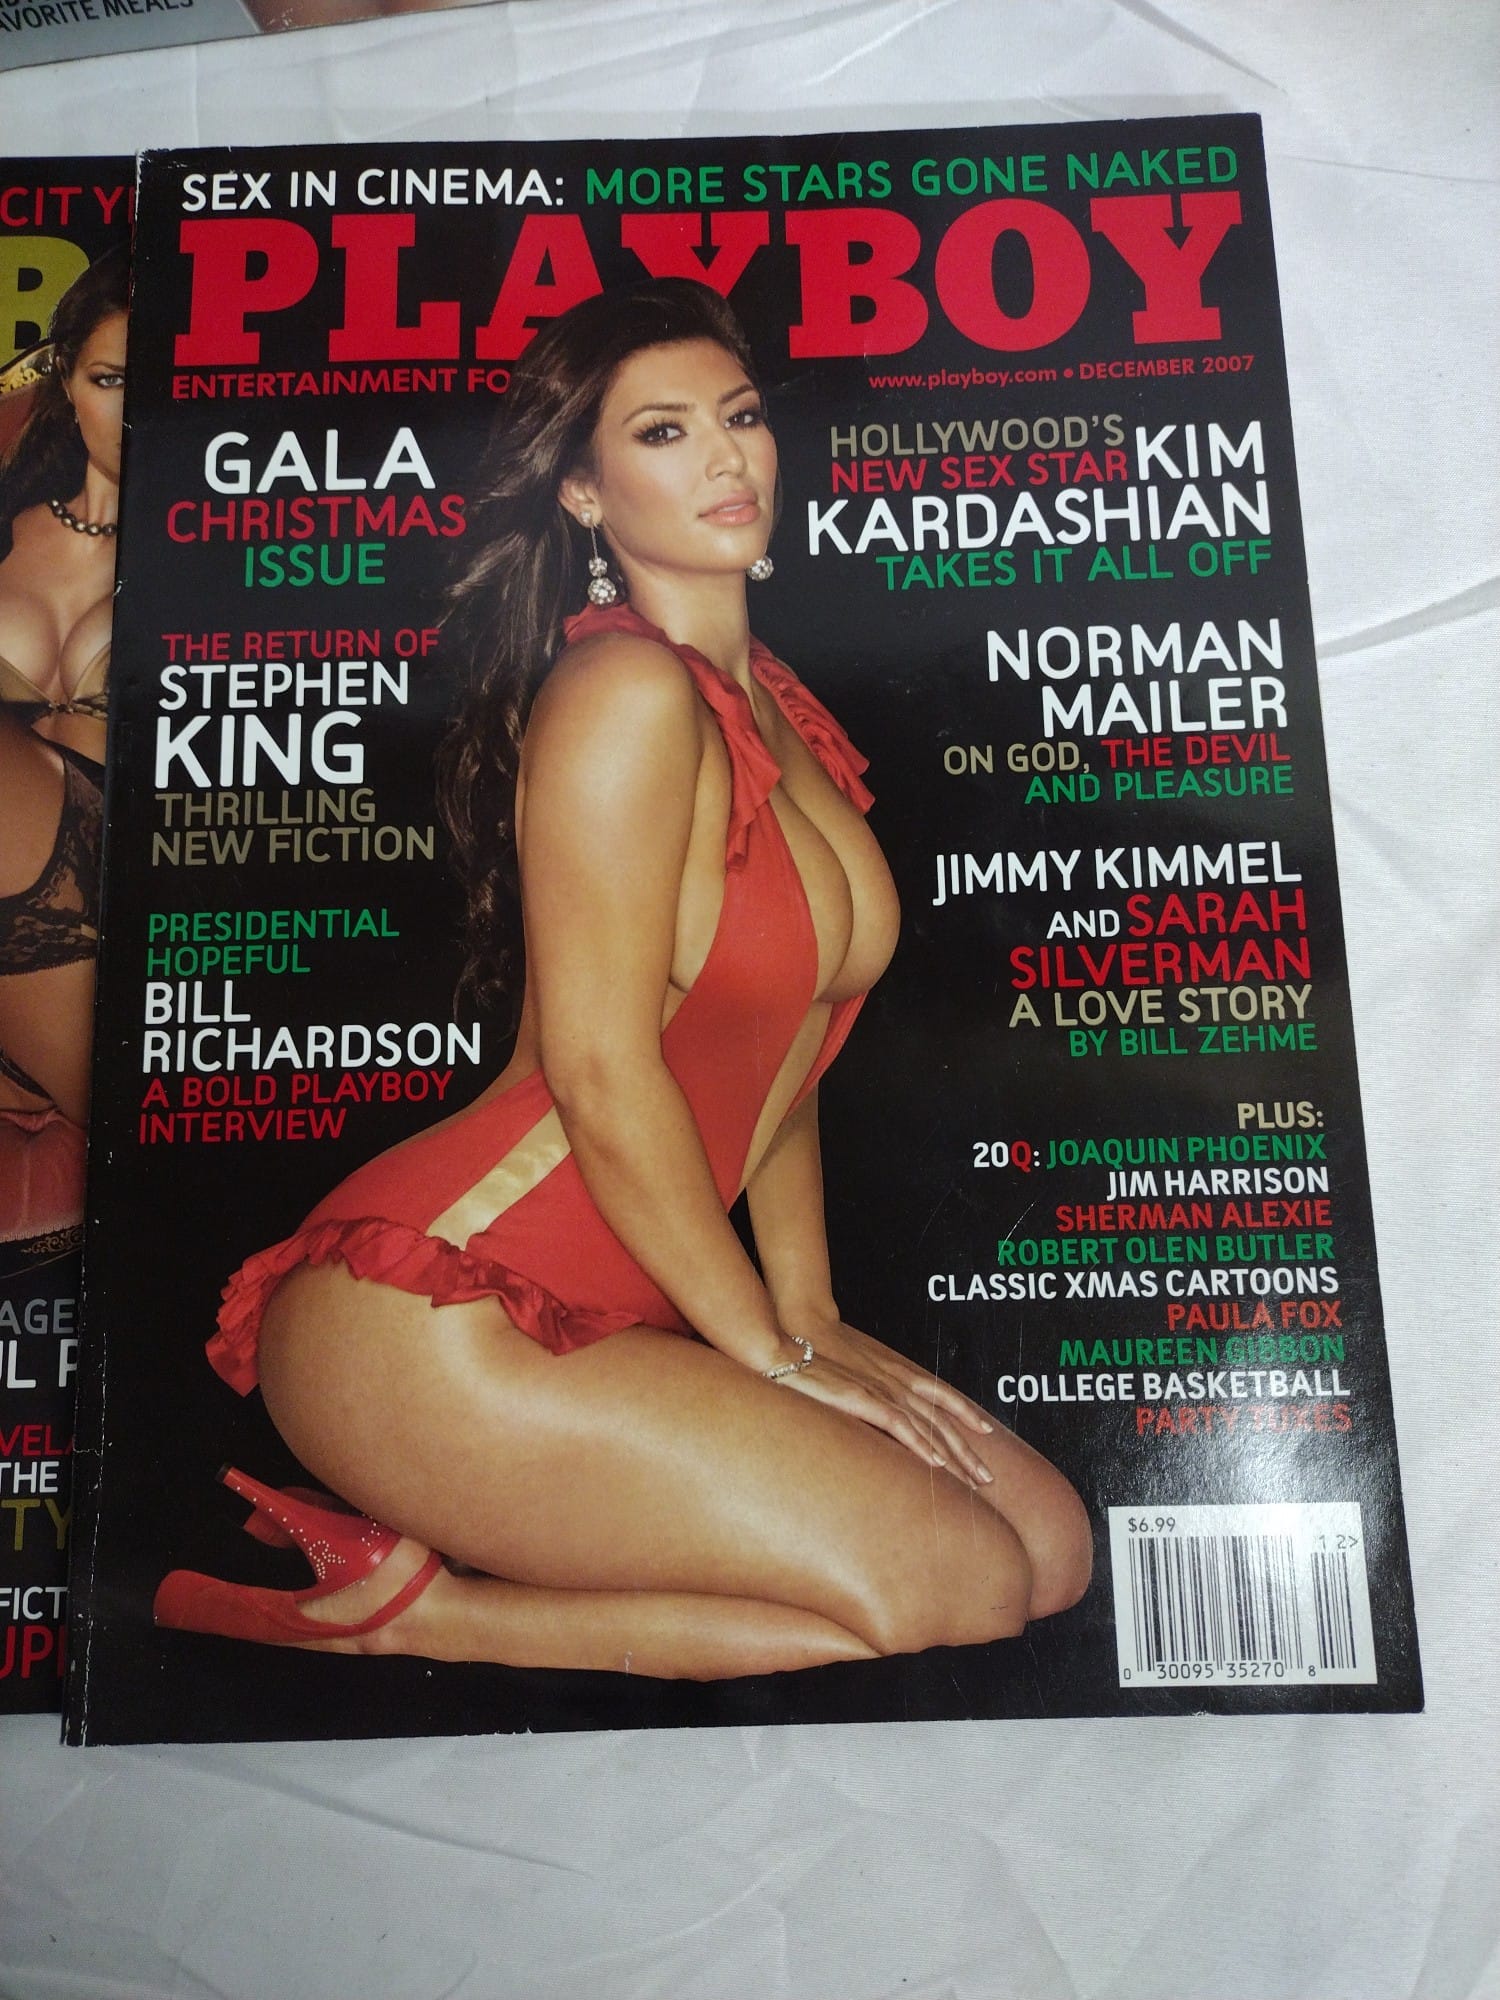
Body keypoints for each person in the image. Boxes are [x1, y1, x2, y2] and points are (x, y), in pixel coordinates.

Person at [155, 280, 1092, 1679]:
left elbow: (786, 1048)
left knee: (1051, 1553)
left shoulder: (780, 705)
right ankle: (413, 1613)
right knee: (959, 1584)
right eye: (664, 432)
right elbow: (598, 1071)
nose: (725, 457)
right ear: (584, 494)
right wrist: (766, 1355)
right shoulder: (622, 696)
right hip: (443, 1311)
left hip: (624, 1303)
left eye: (741, 416)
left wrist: (812, 1312)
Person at [0, 249, 122, 1253]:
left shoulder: (244, 552)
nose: (135, 412)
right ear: (66, 385)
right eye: (110, 379)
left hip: (111, 916)